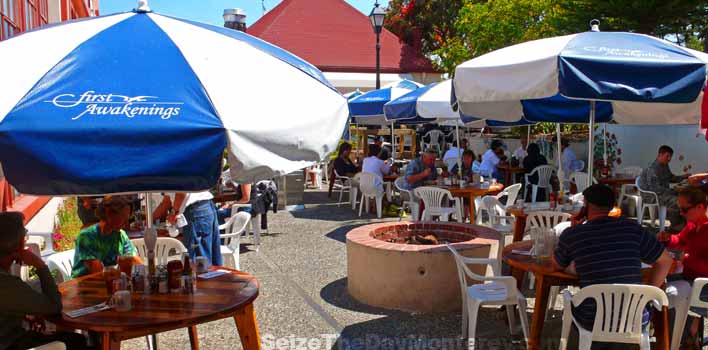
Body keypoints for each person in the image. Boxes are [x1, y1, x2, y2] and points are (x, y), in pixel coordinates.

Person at [551, 184, 673, 333]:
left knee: (572, 304)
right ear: (613, 206)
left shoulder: (573, 234)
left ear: (586, 205)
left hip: (591, 319)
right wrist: (649, 291)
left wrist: (574, 228)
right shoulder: (632, 228)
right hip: (635, 318)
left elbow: (556, 264)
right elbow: (666, 261)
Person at [0, 212, 88, 350]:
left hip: (11, 337)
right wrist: (41, 266)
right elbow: (54, 306)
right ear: (18, 243)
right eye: (25, 235)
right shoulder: (5, 283)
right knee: (77, 342)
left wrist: (24, 314)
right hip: (9, 344)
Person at [658, 188, 708, 348]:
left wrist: (686, 259)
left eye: (685, 209)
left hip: (703, 285)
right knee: (659, 287)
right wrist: (668, 239)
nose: (681, 213)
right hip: (690, 277)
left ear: (700, 207)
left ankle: (683, 339)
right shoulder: (694, 224)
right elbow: (680, 240)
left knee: (669, 295)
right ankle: (672, 337)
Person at [71, 195, 141, 278]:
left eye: (128, 217)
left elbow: (135, 261)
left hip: (109, 282)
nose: (126, 222)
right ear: (108, 214)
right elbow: (99, 272)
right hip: (84, 285)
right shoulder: (87, 236)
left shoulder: (121, 234)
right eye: (123, 217)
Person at [639, 145, 691, 232]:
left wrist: (684, 177)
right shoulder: (652, 169)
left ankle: (685, 225)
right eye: (667, 156)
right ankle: (676, 226)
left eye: (670, 156)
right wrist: (673, 191)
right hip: (652, 195)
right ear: (660, 155)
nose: (669, 159)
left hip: (662, 193)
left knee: (686, 197)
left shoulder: (665, 165)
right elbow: (655, 189)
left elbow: (671, 178)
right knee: (677, 201)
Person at [166, 191, 223, 267]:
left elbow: (181, 191)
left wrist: (174, 212)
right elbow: (165, 202)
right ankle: (214, 278)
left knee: (199, 261)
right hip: (204, 207)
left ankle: (205, 277)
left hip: (196, 212)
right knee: (212, 258)